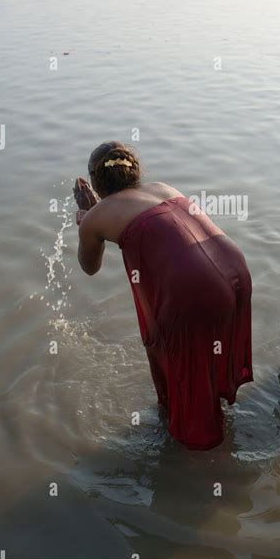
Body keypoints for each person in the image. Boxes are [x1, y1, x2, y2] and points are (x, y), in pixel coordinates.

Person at [74, 141, 253, 450]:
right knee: (201, 368)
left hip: (193, 290)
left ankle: (204, 470)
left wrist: (88, 219)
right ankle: (208, 427)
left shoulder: (95, 217)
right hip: (235, 272)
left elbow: (89, 267)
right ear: (136, 171)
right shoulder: (162, 187)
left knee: (187, 385)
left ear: (94, 181)